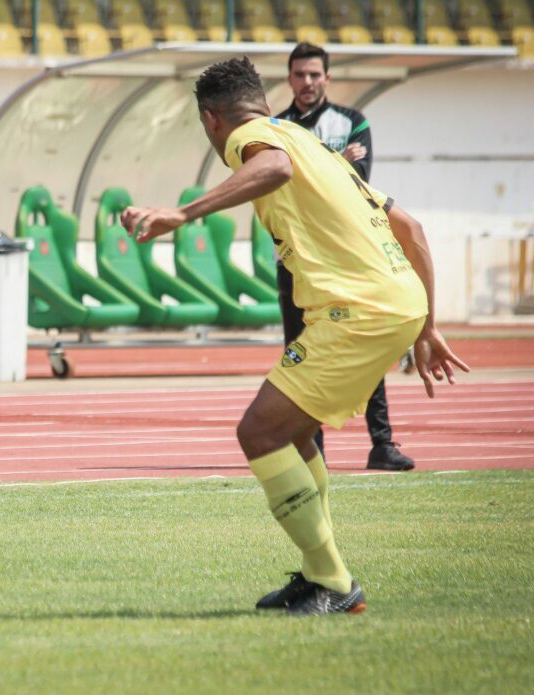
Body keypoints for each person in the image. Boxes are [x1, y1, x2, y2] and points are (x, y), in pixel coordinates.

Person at [121, 57, 468, 615]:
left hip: (358, 310)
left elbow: (273, 170)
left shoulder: (252, 137)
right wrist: (426, 323)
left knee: (259, 432)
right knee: (295, 432)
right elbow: (412, 228)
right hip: (394, 302)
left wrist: (183, 214)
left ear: (212, 120)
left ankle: (333, 581)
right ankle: (318, 574)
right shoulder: (317, 147)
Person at [275, 41, 414, 472]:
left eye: (315, 74)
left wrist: (315, 170)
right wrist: (338, 160)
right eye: (300, 74)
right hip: (295, 261)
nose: (307, 82)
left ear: (327, 78)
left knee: (365, 345)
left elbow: (355, 186)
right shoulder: (275, 126)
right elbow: (278, 187)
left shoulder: (353, 121)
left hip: (348, 258)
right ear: (290, 78)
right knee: (300, 352)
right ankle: (310, 447)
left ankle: (382, 444)